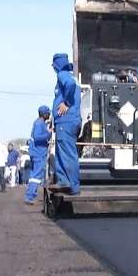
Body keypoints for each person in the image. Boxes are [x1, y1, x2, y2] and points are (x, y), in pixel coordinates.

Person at [49, 53, 81, 195]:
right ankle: (64, 182)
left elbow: (70, 84)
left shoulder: (63, 75)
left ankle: (71, 185)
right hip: (69, 121)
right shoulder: (69, 76)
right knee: (64, 153)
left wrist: (66, 103)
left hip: (66, 121)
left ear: (57, 64)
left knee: (67, 153)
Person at [24, 106, 52, 205]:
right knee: (36, 176)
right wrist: (48, 133)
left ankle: (29, 195)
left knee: (33, 175)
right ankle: (30, 196)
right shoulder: (39, 123)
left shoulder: (39, 122)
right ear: (44, 114)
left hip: (36, 152)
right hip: (38, 153)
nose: (49, 115)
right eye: (48, 113)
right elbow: (37, 137)